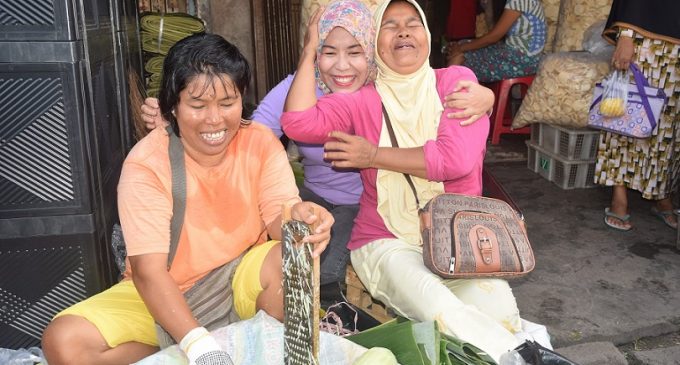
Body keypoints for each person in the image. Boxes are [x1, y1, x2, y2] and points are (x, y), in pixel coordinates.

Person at [140, 0, 496, 291]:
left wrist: (486, 97)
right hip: (313, 196)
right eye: (328, 52)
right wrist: (182, 121)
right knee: (287, 255)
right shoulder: (300, 87)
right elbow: (251, 131)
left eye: (355, 52)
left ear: (372, 53)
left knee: (325, 271)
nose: (342, 66)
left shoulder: (383, 84)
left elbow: (436, 112)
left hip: (365, 207)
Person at [41, 33, 334, 365]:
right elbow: (148, 271)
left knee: (290, 256)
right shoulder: (147, 165)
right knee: (65, 341)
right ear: (172, 106)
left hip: (238, 278)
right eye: (197, 105)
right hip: (165, 291)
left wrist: (303, 217)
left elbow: (278, 215)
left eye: (227, 103)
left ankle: (251, 347)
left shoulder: (259, 142)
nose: (215, 119)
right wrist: (198, 345)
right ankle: (198, 345)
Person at [281, 0, 525, 360]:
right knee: (441, 309)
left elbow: (453, 160)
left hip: (458, 238)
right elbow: (297, 123)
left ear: (426, 35)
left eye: (413, 23)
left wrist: (372, 156)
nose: (403, 31)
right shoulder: (361, 101)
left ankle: (521, 351)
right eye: (390, 26)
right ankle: (529, 355)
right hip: (385, 239)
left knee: (503, 315)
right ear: (376, 45)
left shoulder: (456, 82)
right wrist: (308, 51)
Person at [596, 0, 679, 231]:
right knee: (628, 117)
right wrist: (626, 35)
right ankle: (619, 197)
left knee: (669, 126)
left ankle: (661, 194)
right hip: (646, 40)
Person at [447, 0, 546, 83]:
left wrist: (460, 48)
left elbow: (494, 36)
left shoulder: (518, 1)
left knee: (461, 57)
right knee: (462, 45)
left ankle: (446, 96)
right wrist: (461, 46)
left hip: (522, 60)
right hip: (517, 55)